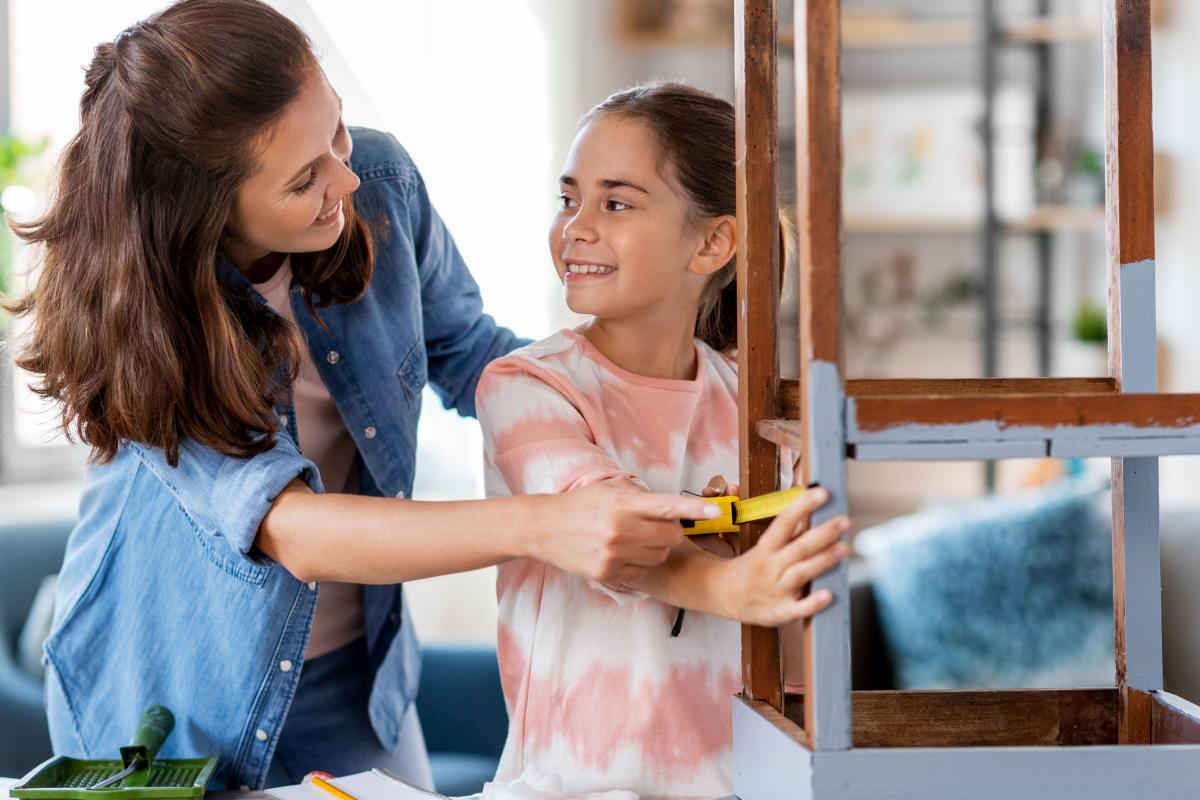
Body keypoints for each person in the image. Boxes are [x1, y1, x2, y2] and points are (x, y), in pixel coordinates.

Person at [2, 2, 738, 790]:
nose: (345, 178)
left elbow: (472, 355)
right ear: (204, 208)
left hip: (358, 670)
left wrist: (641, 403)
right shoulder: (144, 313)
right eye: (303, 178)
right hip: (172, 689)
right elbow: (291, 527)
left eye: (338, 132)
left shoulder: (378, 188)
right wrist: (549, 523)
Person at [475, 82, 850, 799]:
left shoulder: (757, 409)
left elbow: (792, 636)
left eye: (615, 203)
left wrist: (756, 567)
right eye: (569, 199)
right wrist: (727, 582)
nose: (576, 227)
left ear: (712, 241)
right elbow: (605, 530)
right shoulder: (524, 387)